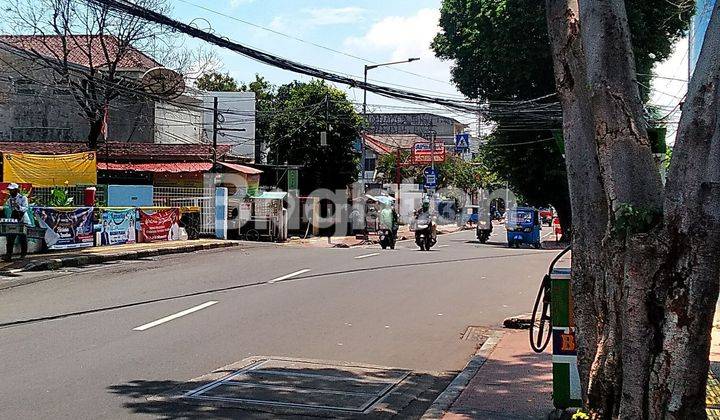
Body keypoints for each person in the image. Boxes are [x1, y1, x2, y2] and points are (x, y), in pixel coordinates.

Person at [3, 183, 29, 260]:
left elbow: (25, 208)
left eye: (12, 190)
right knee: (10, 235)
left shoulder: (23, 198)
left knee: (22, 236)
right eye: (9, 190)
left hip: (22, 217)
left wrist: (19, 207)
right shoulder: (9, 199)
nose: (10, 191)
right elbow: (11, 209)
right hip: (14, 217)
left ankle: (23, 254)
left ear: (16, 190)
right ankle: (9, 254)